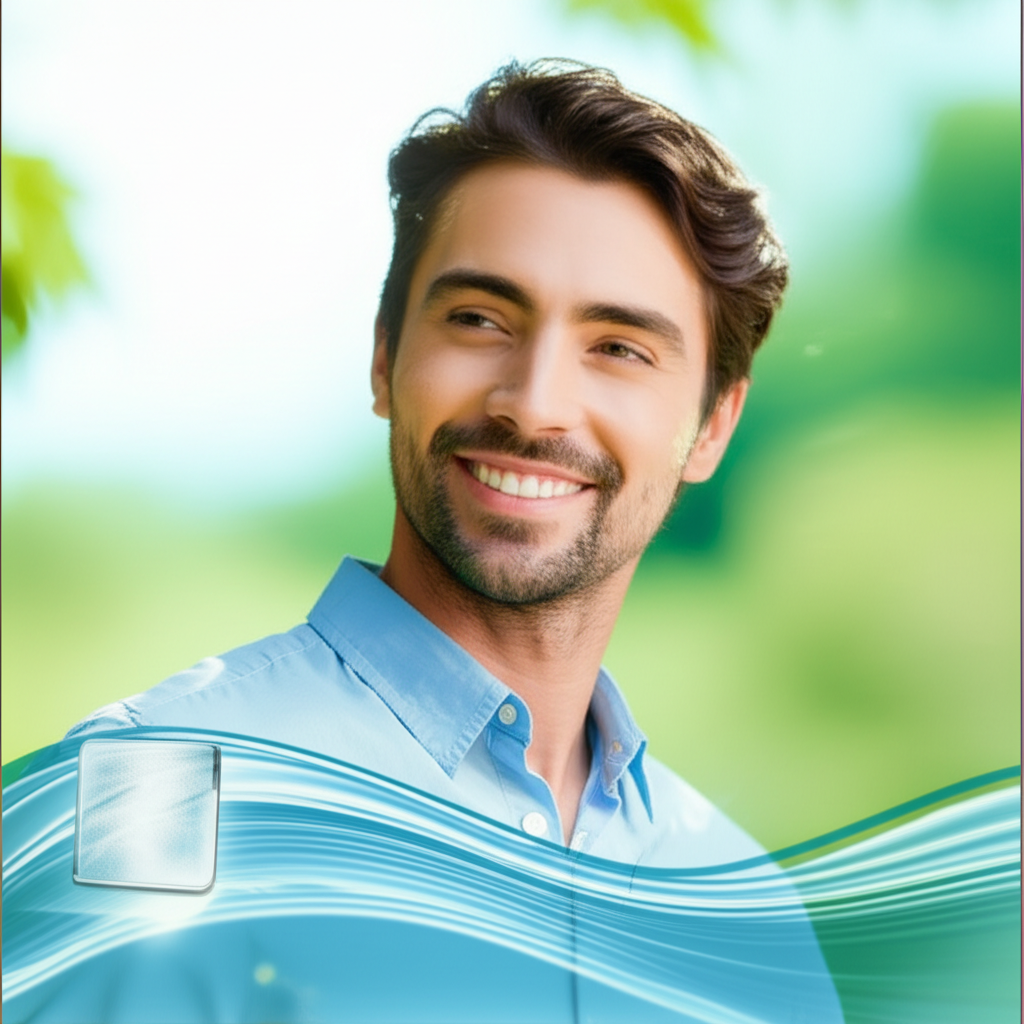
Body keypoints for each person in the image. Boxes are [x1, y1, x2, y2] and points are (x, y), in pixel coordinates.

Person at [69, 61, 782, 867]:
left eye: (618, 348)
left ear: (714, 425)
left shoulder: (745, 912)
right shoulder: (159, 793)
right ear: (385, 356)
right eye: (479, 319)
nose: (533, 401)